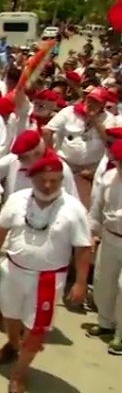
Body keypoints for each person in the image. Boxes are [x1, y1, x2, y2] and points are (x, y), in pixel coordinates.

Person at [0, 153, 91, 393]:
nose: (49, 185)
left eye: (55, 180)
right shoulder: (17, 200)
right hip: (13, 270)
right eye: (43, 179)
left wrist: (81, 282)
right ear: (32, 178)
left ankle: (19, 373)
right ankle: (12, 344)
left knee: (37, 328)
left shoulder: (74, 209)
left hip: (48, 279)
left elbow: (83, 248)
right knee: (9, 314)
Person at [87, 139, 122, 353]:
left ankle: (121, 334)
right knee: (103, 281)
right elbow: (96, 208)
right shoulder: (109, 178)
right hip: (109, 237)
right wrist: (92, 234)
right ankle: (105, 323)